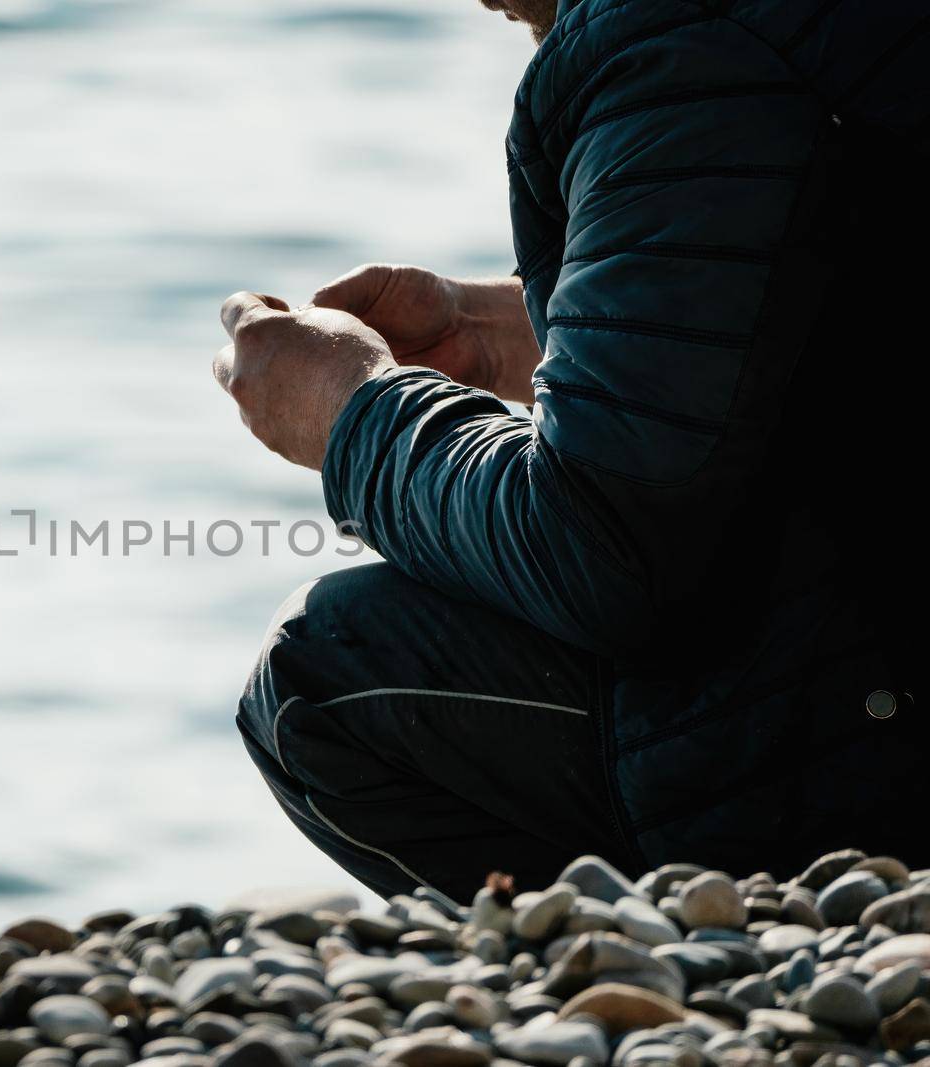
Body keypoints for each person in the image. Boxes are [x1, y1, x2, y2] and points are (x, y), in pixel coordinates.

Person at [216, 0, 927, 902]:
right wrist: (498, 336)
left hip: (882, 747)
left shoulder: (679, 37)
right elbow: (861, 300)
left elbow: (604, 551)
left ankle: (663, 982)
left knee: (323, 672)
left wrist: (350, 411)